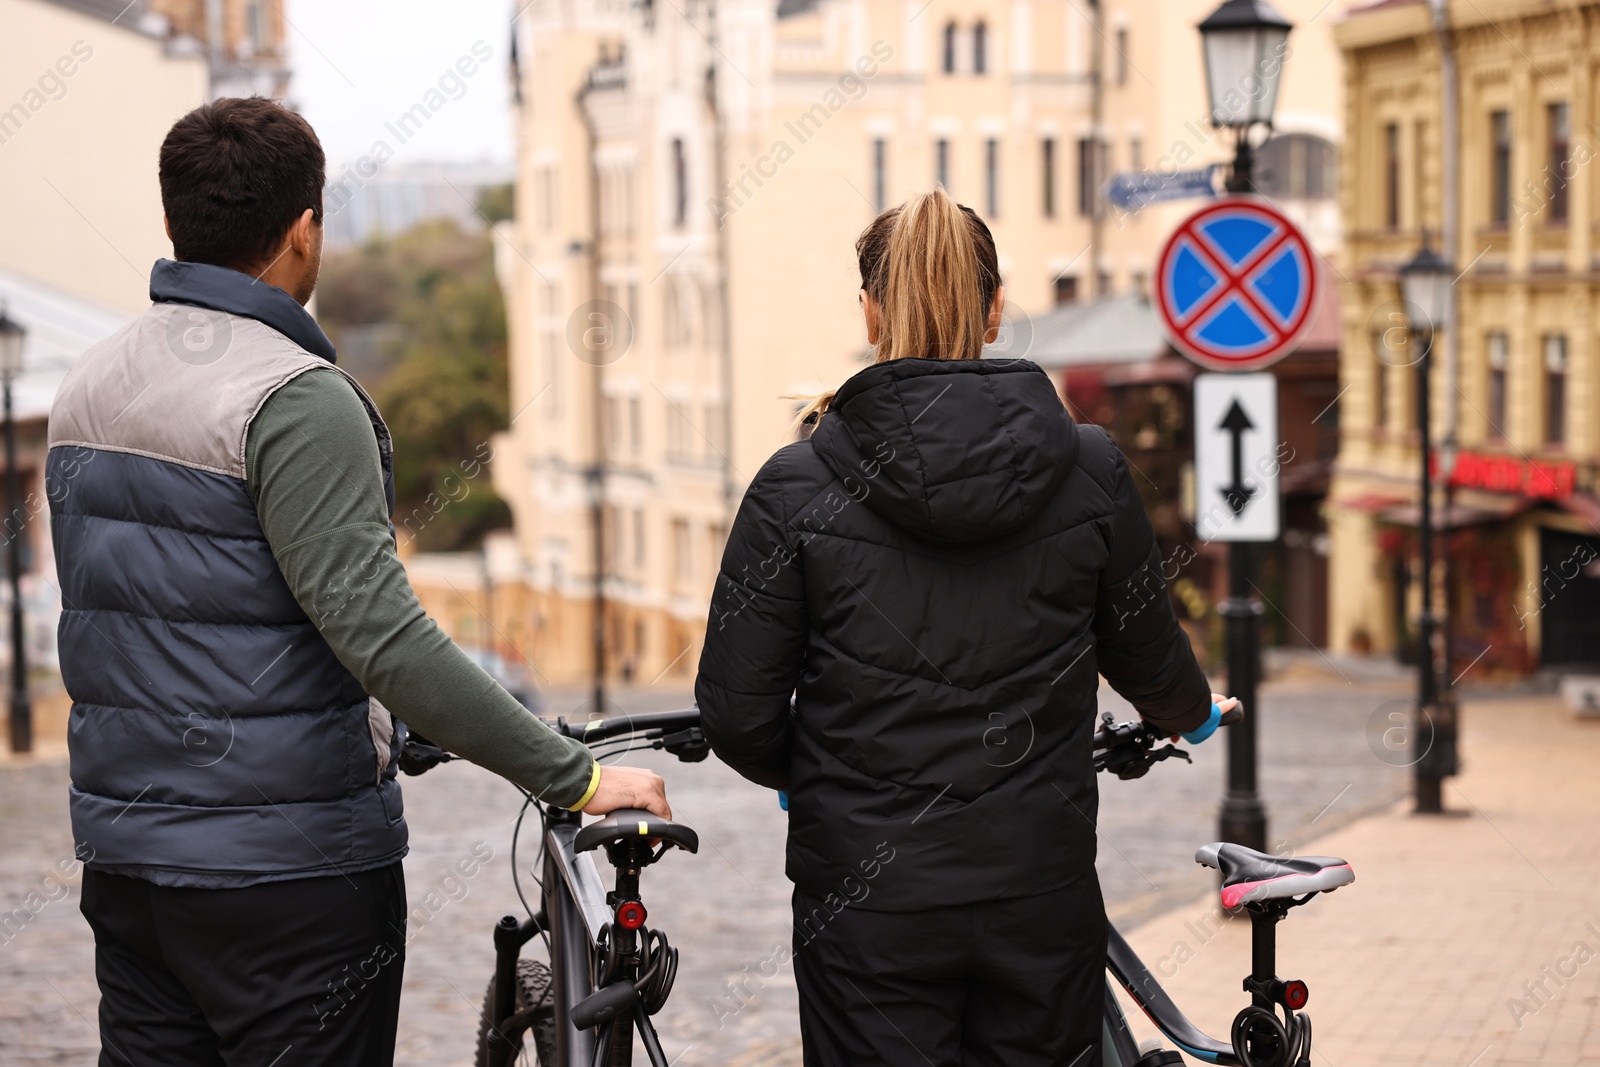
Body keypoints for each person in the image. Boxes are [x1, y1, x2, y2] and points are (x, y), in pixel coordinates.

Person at [47, 97, 668, 1066]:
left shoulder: (87, 384)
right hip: (289, 878)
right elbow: (379, 631)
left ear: (175, 221)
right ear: (304, 231)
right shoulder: (292, 396)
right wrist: (571, 770)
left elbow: (171, 618)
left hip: (132, 864)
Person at [696, 187, 1234, 1067]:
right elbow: (1149, 660)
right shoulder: (1091, 469)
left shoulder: (792, 487)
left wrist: (819, 773)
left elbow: (736, 711)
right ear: (994, 313)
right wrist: (1194, 709)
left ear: (870, 314)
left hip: (869, 902)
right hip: (1038, 884)